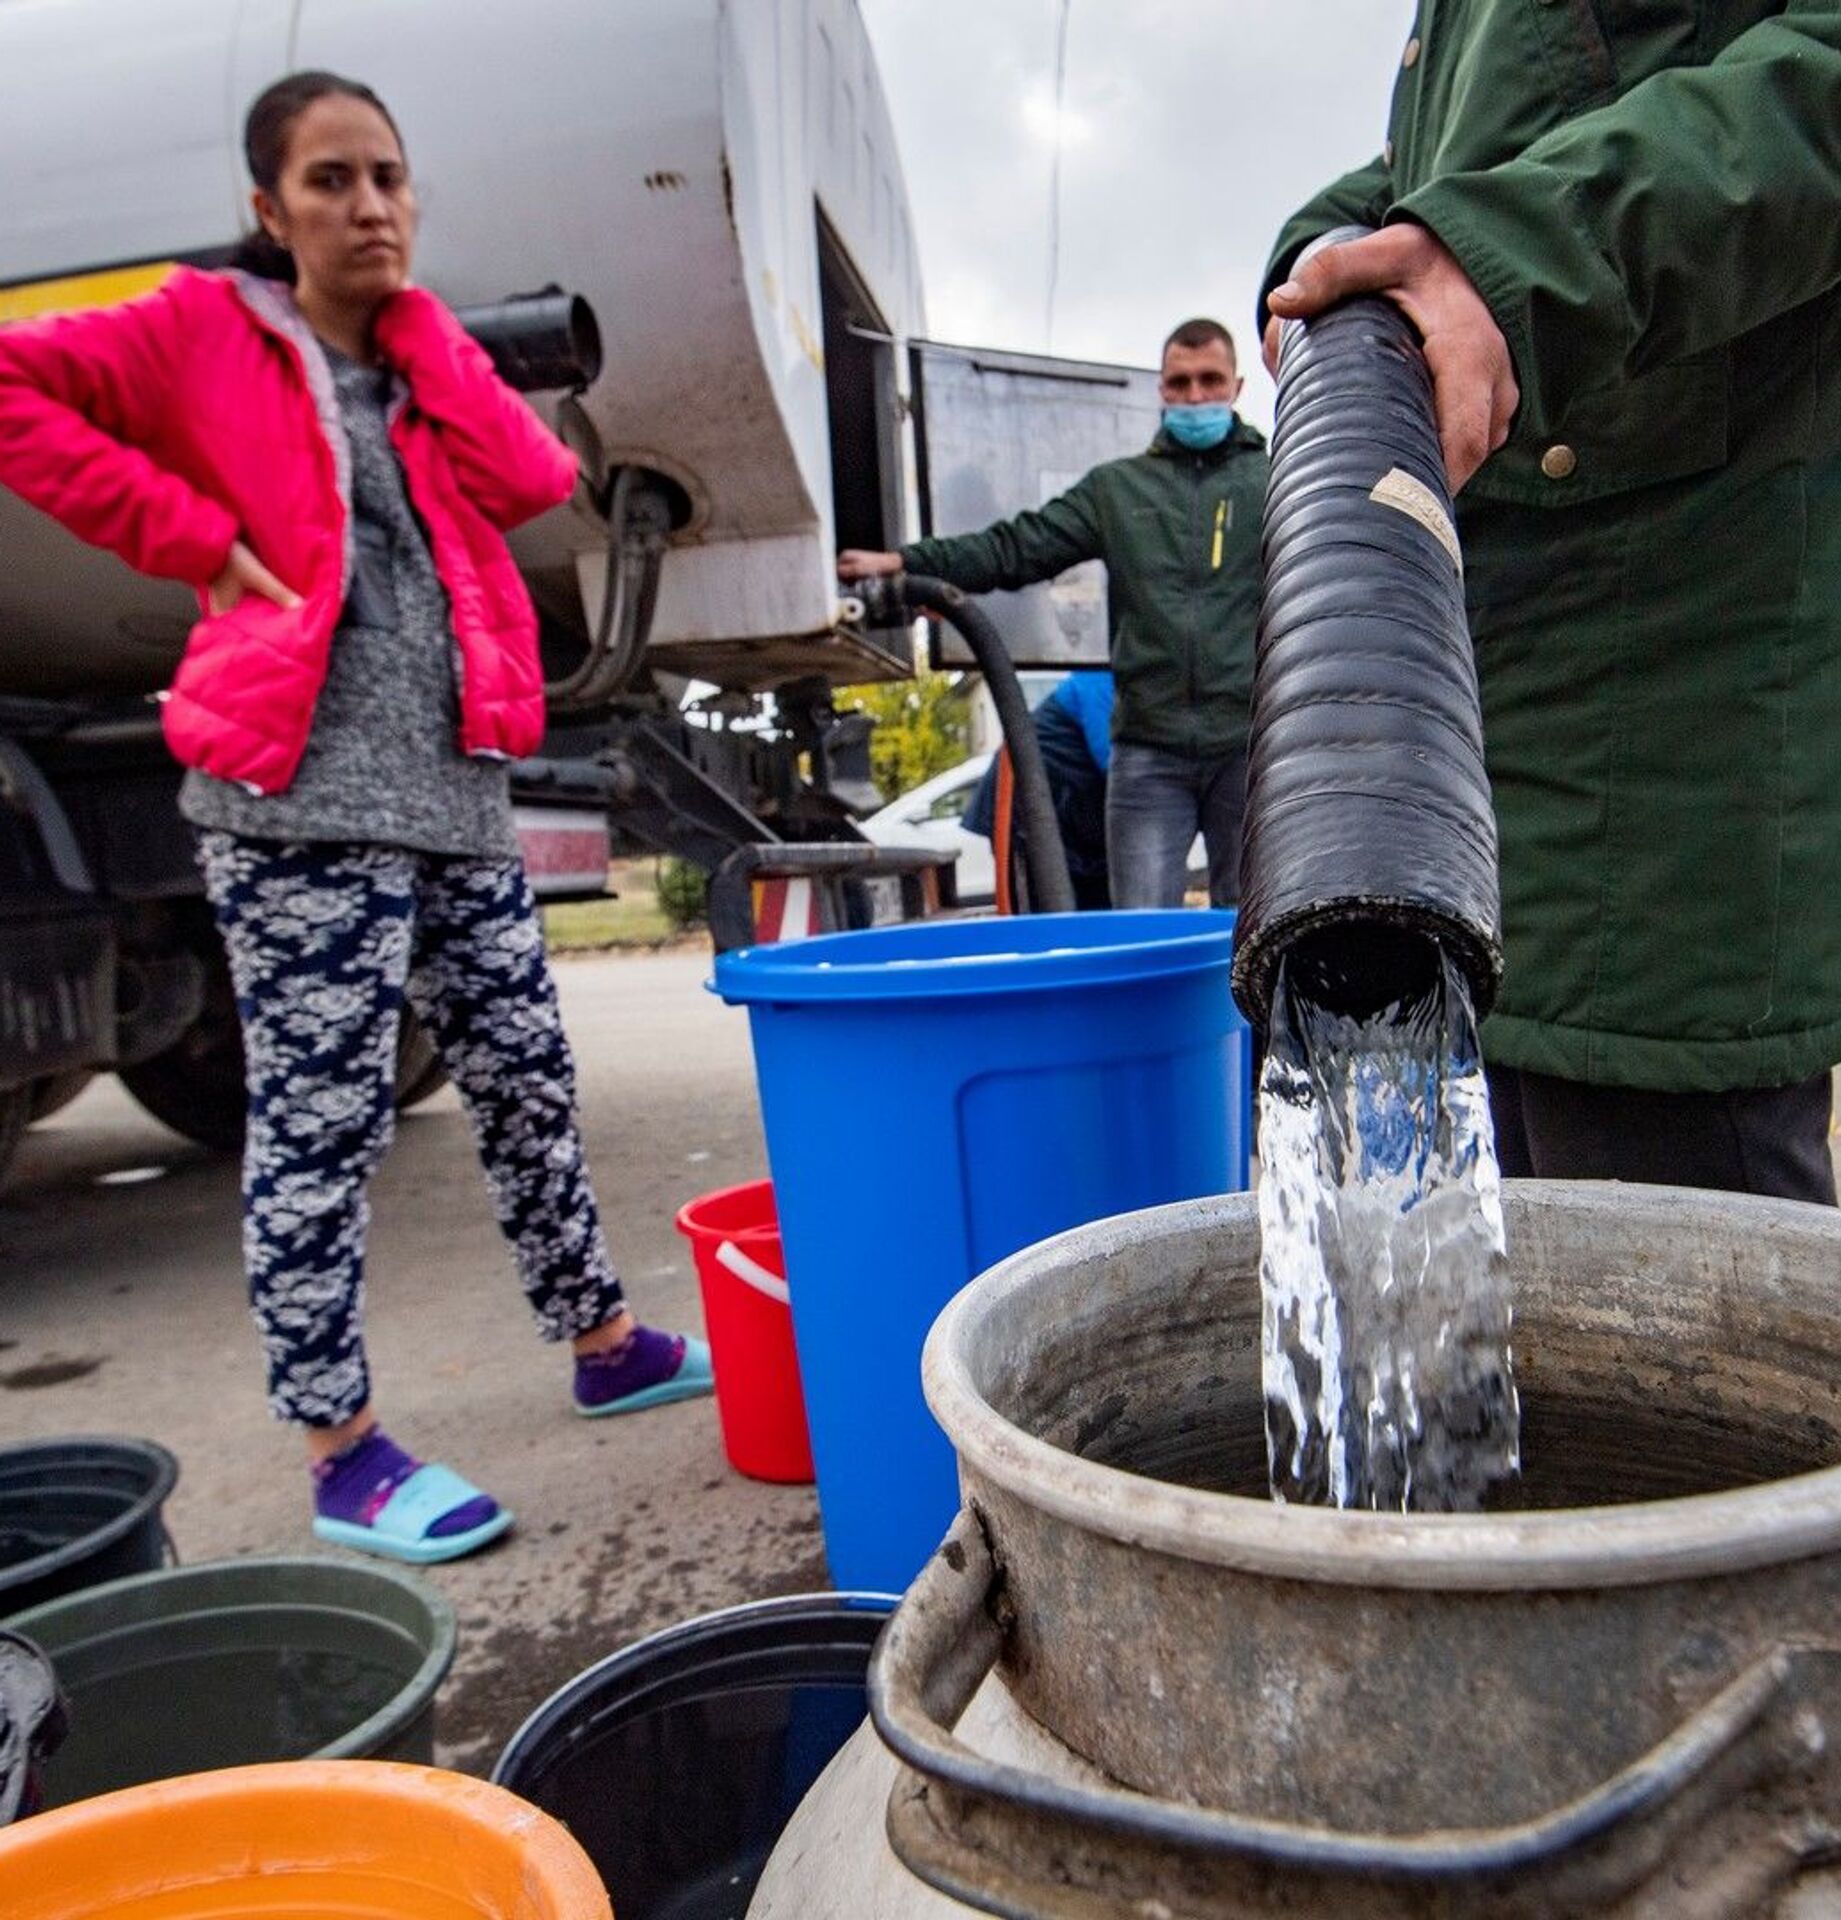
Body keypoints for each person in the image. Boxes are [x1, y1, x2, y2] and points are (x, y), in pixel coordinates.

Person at [0, 71, 712, 1564]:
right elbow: (14, 390)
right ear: (270, 210)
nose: (368, 206)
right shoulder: (200, 329)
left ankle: (599, 1341)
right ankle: (340, 1447)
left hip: (453, 786)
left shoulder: (412, 357)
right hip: (295, 798)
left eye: (387, 179)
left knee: (524, 1080)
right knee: (323, 1124)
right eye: (330, 183)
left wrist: (418, 328)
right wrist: (191, 535)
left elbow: (533, 475)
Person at [1259, 5, 1841, 1204]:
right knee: (1500, 1288)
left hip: (1681, 693)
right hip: (1493, 693)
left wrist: (1507, 254)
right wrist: (1328, 258)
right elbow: (1449, 164)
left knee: (1683, 1313)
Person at [838, 318, 1266, 909]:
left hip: (1245, 746)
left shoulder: (1272, 482)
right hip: (1148, 751)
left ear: (1236, 387)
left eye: (1210, 381)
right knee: (1140, 934)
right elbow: (1017, 547)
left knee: (1252, 934)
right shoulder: (1119, 489)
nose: (1195, 397)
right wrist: (906, 564)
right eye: (1181, 383)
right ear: (1161, 391)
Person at [962, 669, 1116, 909]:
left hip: (1072, 819)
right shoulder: (1097, 678)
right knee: (1043, 916)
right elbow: (1113, 762)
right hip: (1026, 811)